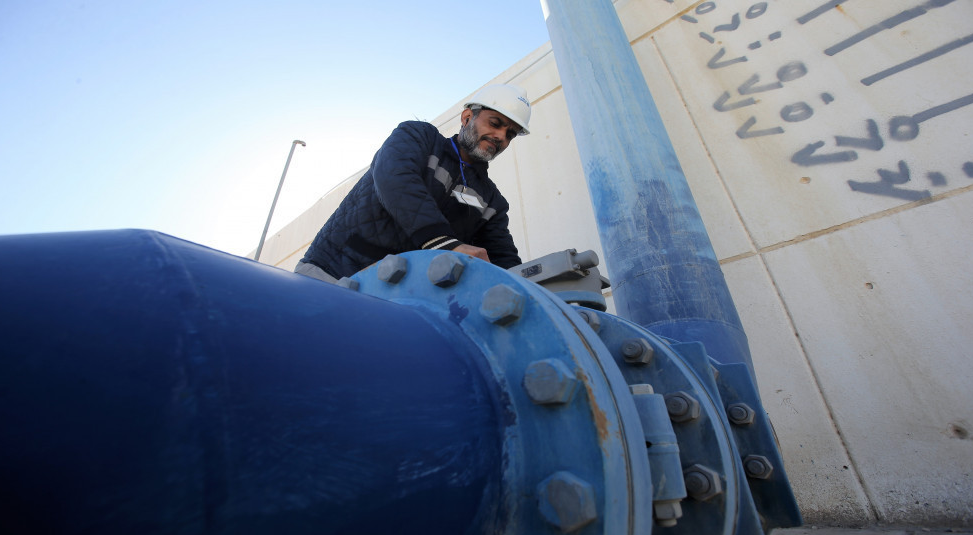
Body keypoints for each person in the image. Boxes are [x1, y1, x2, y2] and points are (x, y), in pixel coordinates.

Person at [295, 84, 530, 283]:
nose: (501, 136)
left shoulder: (492, 201)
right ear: (467, 117)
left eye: (510, 134)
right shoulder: (419, 137)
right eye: (495, 123)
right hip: (331, 273)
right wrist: (445, 243)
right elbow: (395, 178)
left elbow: (504, 259)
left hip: (391, 298)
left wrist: (529, 286)